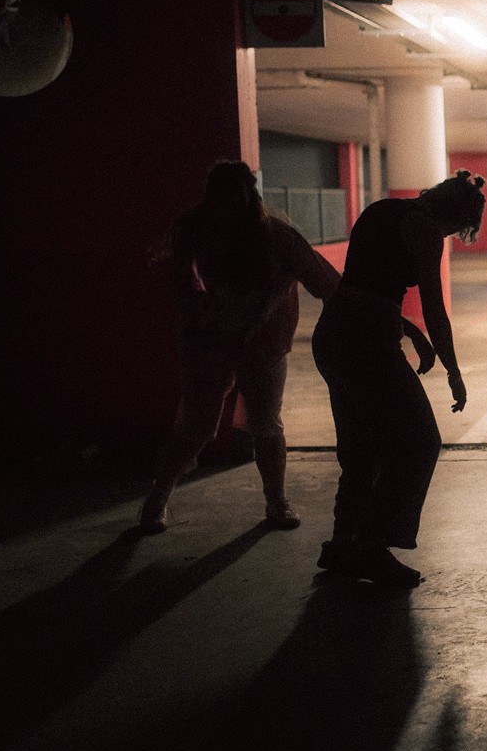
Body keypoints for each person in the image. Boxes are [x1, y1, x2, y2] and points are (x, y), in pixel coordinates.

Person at [139, 160, 341, 533]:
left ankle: (276, 501)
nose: (230, 207)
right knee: (197, 429)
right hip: (210, 345)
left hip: (262, 347)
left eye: (237, 197)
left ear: (250, 197)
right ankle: (159, 495)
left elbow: (327, 284)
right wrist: (202, 313)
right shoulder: (197, 233)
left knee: (265, 424)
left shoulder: (278, 238)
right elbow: (181, 285)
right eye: (222, 198)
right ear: (210, 199)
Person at [312, 171, 485, 588]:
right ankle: (371, 547)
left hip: (333, 336)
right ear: (456, 216)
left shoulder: (380, 211)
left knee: (361, 453)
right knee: (419, 442)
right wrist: (454, 371)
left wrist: (408, 330)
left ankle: (343, 544)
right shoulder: (425, 231)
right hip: (367, 344)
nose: (450, 235)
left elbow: (362, 288)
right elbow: (435, 309)